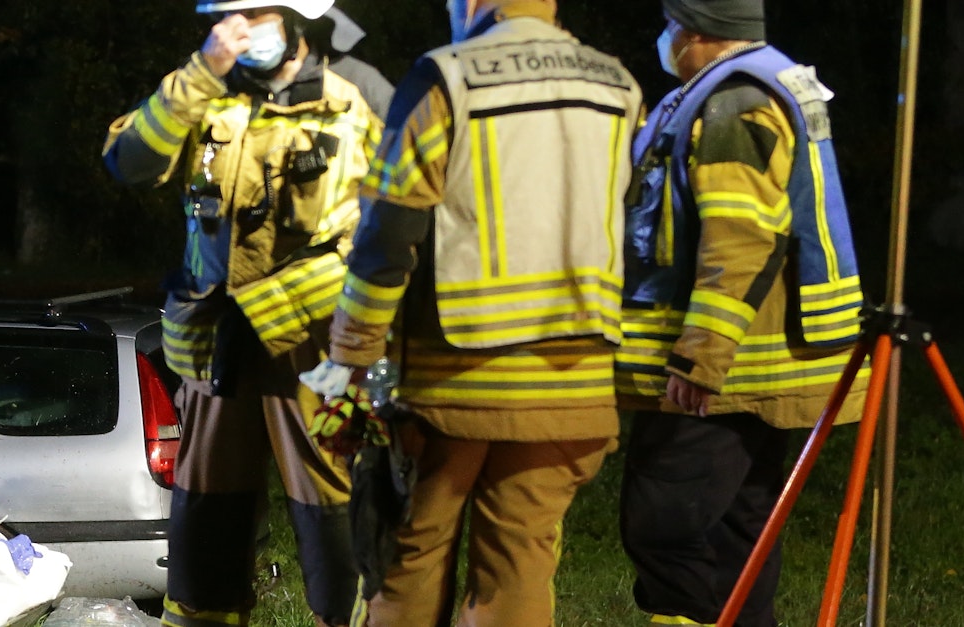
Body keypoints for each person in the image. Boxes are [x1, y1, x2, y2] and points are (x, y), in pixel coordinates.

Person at [313, 0, 642, 624]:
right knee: (518, 572)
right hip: (575, 385)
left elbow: (388, 235)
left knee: (406, 562)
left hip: (452, 386)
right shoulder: (617, 83)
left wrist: (349, 360)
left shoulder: (447, 77)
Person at [101, 1, 387, 625]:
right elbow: (127, 161)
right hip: (216, 345)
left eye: (257, 14)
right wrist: (202, 71)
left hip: (316, 350)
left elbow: (412, 209)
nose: (241, 28)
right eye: (229, 16)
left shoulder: (358, 91)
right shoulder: (202, 89)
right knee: (206, 521)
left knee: (333, 521)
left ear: (297, 19)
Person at [616, 1, 866, 624]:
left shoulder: (732, 103)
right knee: (739, 539)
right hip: (768, 362)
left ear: (697, 30)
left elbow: (740, 236)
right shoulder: (754, 84)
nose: (664, 35)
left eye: (670, 23)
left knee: (663, 531)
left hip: (724, 376)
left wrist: (699, 358)